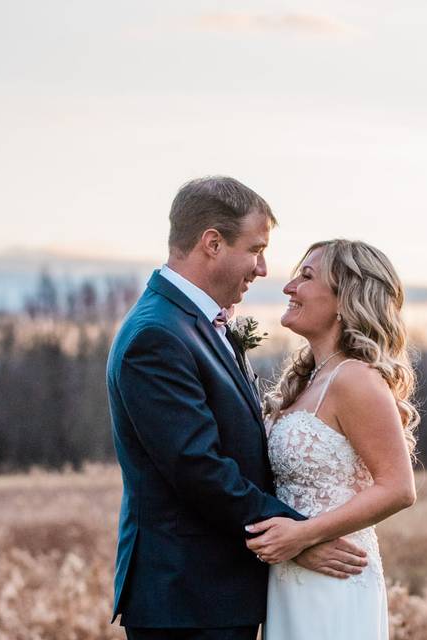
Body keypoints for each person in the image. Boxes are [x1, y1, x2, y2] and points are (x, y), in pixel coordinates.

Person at [105, 178, 369, 640]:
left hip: (216, 594)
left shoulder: (192, 325)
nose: (264, 268)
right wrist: (296, 538)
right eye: (255, 249)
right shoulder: (157, 336)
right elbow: (198, 468)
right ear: (212, 243)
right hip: (189, 599)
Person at [246, 239, 419, 639]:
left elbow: (398, 488)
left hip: (334, 578)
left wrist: (303, 535)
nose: (289, 287)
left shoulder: (354, 378)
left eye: (306, 277)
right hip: (291, 574)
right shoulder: (308, 380)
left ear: (347, 300)